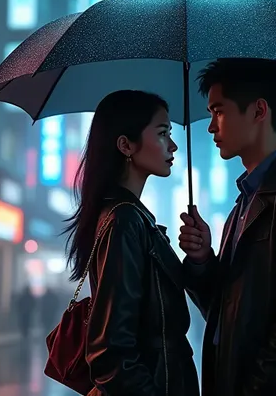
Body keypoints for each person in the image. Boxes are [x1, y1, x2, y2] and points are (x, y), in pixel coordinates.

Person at [178, 59, 276, 396]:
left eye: (218, 111)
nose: (210, 126)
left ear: (258, 110)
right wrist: (203, 259)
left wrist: (253, 389)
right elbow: (227, 314)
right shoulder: (245, 203)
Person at [64, 90, 198, 395]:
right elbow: (111, 352)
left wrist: (199, 258)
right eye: (163, 133)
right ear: (125, 145)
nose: (173, 145)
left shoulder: (132, 219)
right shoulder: (124, 222)